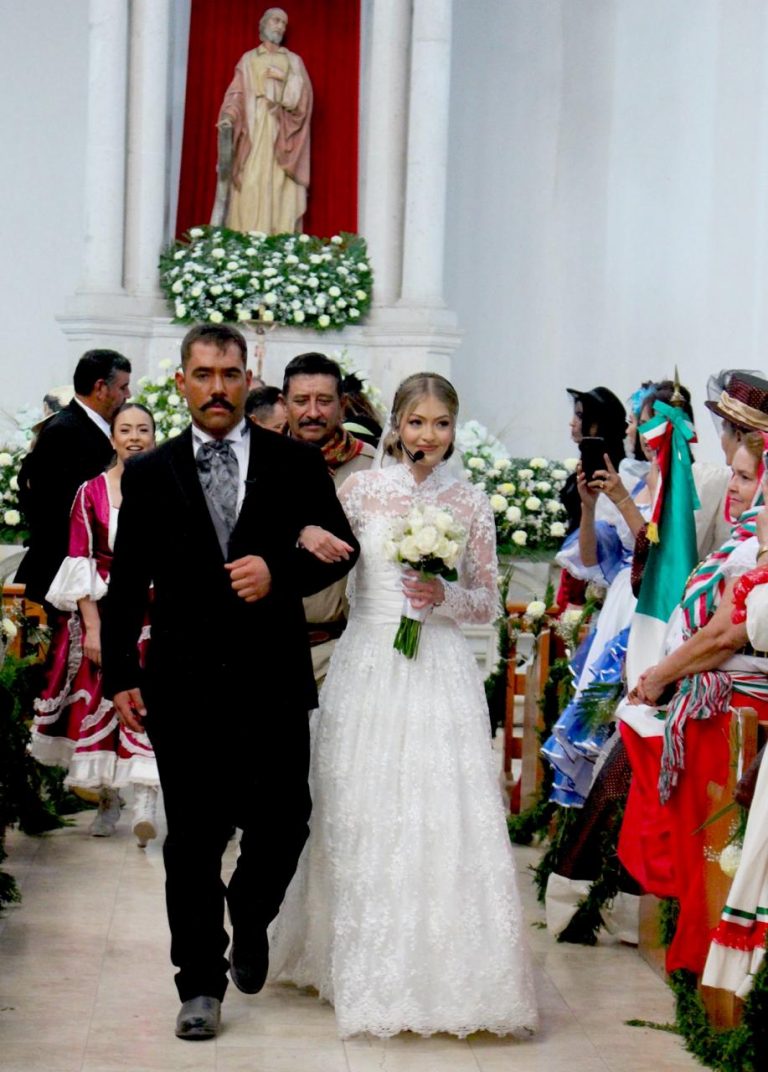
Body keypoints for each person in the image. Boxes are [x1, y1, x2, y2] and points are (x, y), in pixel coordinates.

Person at [100, 323, 358, 1042]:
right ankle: (200, 987)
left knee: (285, 823)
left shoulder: (293, 463)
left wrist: (281, 568)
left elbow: (342, 551)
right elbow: (126, 584)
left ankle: (250, 914)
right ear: (181, 382)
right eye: (204, 374)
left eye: (230, 373)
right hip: (182, 683)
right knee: (193, 842)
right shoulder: (151, 475)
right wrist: (120, 671)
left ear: (250, 380)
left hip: (274, 677)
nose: (218, 387)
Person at [268, 372, 538, 1039]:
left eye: (441, 424)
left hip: (437, 664)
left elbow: (484, 596)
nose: (428, 436)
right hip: (369, 660)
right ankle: (351, 960)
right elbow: (326, 562)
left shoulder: (470, 501)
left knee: (437, 810)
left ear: (454, 428)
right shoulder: (360, 490)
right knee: (362, 804)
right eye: (417, 423)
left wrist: (443, 599)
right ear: (395, 425)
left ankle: (444, 972)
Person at [620, 429, 768, 975]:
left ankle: (714, 963)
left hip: (741, 705)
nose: (739, 487)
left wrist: (659, 676)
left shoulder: (760, 544)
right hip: (724, 689)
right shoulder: (751, 537)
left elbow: (727, 634)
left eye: (751, 477)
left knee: (715, 841)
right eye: (738, 473)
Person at [29, 403, 160, 846]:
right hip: (103, 613)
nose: (135, 437)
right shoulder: (91, 492)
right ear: (113, 439)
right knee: (99, 703)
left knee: (150, 702)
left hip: (152, 613)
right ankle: (108, 799)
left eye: (144, 429)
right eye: (126, 429)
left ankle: (146, 799)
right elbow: (80, 556)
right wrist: (93, 628)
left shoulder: (169, 486)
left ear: (155, 436)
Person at [284, 352, 376, 683]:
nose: (312, 412)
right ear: (284, 404)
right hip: (271, 648)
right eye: (301, 401)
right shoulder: (258, 463)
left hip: (344, 650)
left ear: (342, 403)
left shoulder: (371, 467)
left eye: (323, 401)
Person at [16, 350, 132, 606]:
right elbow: (60, 512)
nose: (128, 395)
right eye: (123, 387)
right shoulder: (64, 432)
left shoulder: (87, 428)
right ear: (101, 387)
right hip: (66, 576)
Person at [212, 7, 312, 235]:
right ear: (264, 24)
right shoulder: (248, 59)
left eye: (283, 24)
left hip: (282, 128)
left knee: (279, 185)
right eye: (276, 21)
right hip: (254, 125)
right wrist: (228, 117)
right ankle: (245, 238)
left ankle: (278, 239)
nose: (280, 26)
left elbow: (305, 97)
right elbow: (236, 93)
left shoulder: (293, 61)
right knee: (251, 180)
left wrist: (284, 78)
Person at [556, 385, 627, 612]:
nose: (572, 422)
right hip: (575, 566)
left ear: (597, 423)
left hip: (595, 576)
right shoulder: (581, 467)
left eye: (580, 416)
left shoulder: (616, 476)